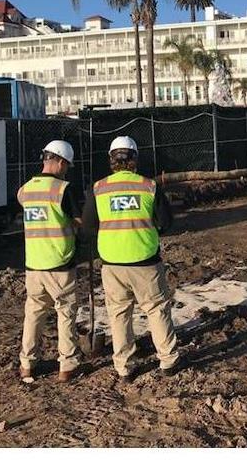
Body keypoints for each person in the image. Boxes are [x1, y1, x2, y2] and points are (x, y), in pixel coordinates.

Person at [81, 136, 183, 382]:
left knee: (119, 314)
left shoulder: (99, 188)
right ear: (135, 158)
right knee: (157, 310)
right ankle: (168, 361)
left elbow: (88, 226)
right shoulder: (149, 186)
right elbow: (166, 223)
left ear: (111, 159)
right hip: (145, 261)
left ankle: (124, 366)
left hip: (112, 264)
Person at [17, 140, 82, 383]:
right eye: (67, 165)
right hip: (60, 264)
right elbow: (77, 222)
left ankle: (27, 364)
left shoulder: (25, 190)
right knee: (65, 313)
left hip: (33, 264)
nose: (67, 170)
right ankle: (67, 365)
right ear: (61, 162)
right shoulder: (64, 189)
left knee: (33, 313)